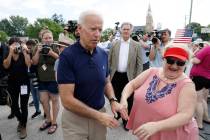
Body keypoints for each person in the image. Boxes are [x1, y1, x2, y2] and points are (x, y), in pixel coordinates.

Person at [57, 10, 125, 140]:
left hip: (99, 119)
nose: (97, 34)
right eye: (93, 29)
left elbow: (106, 81)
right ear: (79, 29)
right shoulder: (67, 56)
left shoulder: (103, 54)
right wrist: (99, 116)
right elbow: (66, 100)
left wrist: (113, 100)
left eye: (100, 29)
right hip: (75, 120)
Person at [120, 44, 198, 140]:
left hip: (173, 135)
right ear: (163, 59)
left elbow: (186, 115)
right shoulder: (151, 71)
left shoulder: (187, 86)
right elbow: (131, 85)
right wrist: (123, 99)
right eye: (170, 60)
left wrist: (157, 126)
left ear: (185, 64)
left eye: (180, 63)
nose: (174, 66)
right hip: (148, 132)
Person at [109, 22, 143, 130]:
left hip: (129, 77)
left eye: (128, 29)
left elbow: (139, 64)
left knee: (129, 99)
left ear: (131, 31)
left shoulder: (136, 45)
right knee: (117, 97)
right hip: (116, 76)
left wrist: (136, 80)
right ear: (121, 30)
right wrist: (108, 76)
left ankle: (126, 120)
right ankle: (119, 114)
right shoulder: (114, 44)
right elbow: (109, 60)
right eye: (124, 29)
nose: (126, 31)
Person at [32, 29, 59, 134]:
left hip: (54, 80)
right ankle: (48, 119)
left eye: (49, 38)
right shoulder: (37, 48)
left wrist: (51, 53)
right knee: (43, 101)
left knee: (55, 101)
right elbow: (34, 62)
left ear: (52, 38)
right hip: (42, 80)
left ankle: (54, 123)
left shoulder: (56, 47)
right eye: (45, 38)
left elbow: (62, 60)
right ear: (42, 39)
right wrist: (38, 51)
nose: (48, 40)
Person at [3, 37, 31, 139]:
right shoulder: (7, 52)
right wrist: (10, 53)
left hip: (24, 83)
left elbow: (29, 64)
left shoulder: (24, 53)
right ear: (9, 45)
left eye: (17, 43)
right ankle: (21, 120)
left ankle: (23, 126)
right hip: (12, 84)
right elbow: (6, 66)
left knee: (24, 106)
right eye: (13, 44)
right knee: (13, 106)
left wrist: (24, 52)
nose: (16, 46)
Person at [190, 45, 210, 130]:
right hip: (208, 77)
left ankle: (199, 124)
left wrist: (191, 59)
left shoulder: (207, 48)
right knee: (202, 100)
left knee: (198, 101)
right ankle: (206, 118)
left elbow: (196, 61)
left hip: (200, 77)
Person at [26, 39, 41, 119]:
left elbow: (32, 63)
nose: (28, 49)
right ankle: (37, 110)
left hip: (35, 76)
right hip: (30, 76)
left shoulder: (35, 53)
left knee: (39, 96)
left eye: (29, 47)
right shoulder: (28, 53)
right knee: (34, 96)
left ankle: (45, 111)